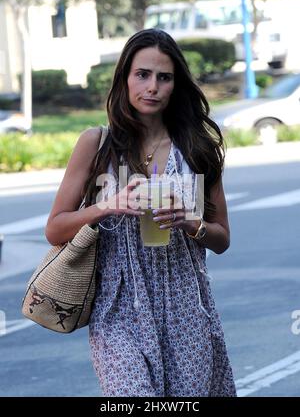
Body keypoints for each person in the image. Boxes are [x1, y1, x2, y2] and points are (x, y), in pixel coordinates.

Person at [45, 28, 236, 397]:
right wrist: (107, 206)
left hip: (186, 308)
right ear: (125, 79)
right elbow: (54, 229)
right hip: (118, 309)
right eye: (142, 75)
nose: (152, 87)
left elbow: (223, 238)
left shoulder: (197, 149)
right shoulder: (96, 144)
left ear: (175, 85)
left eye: (164, 78)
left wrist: (190, 223)